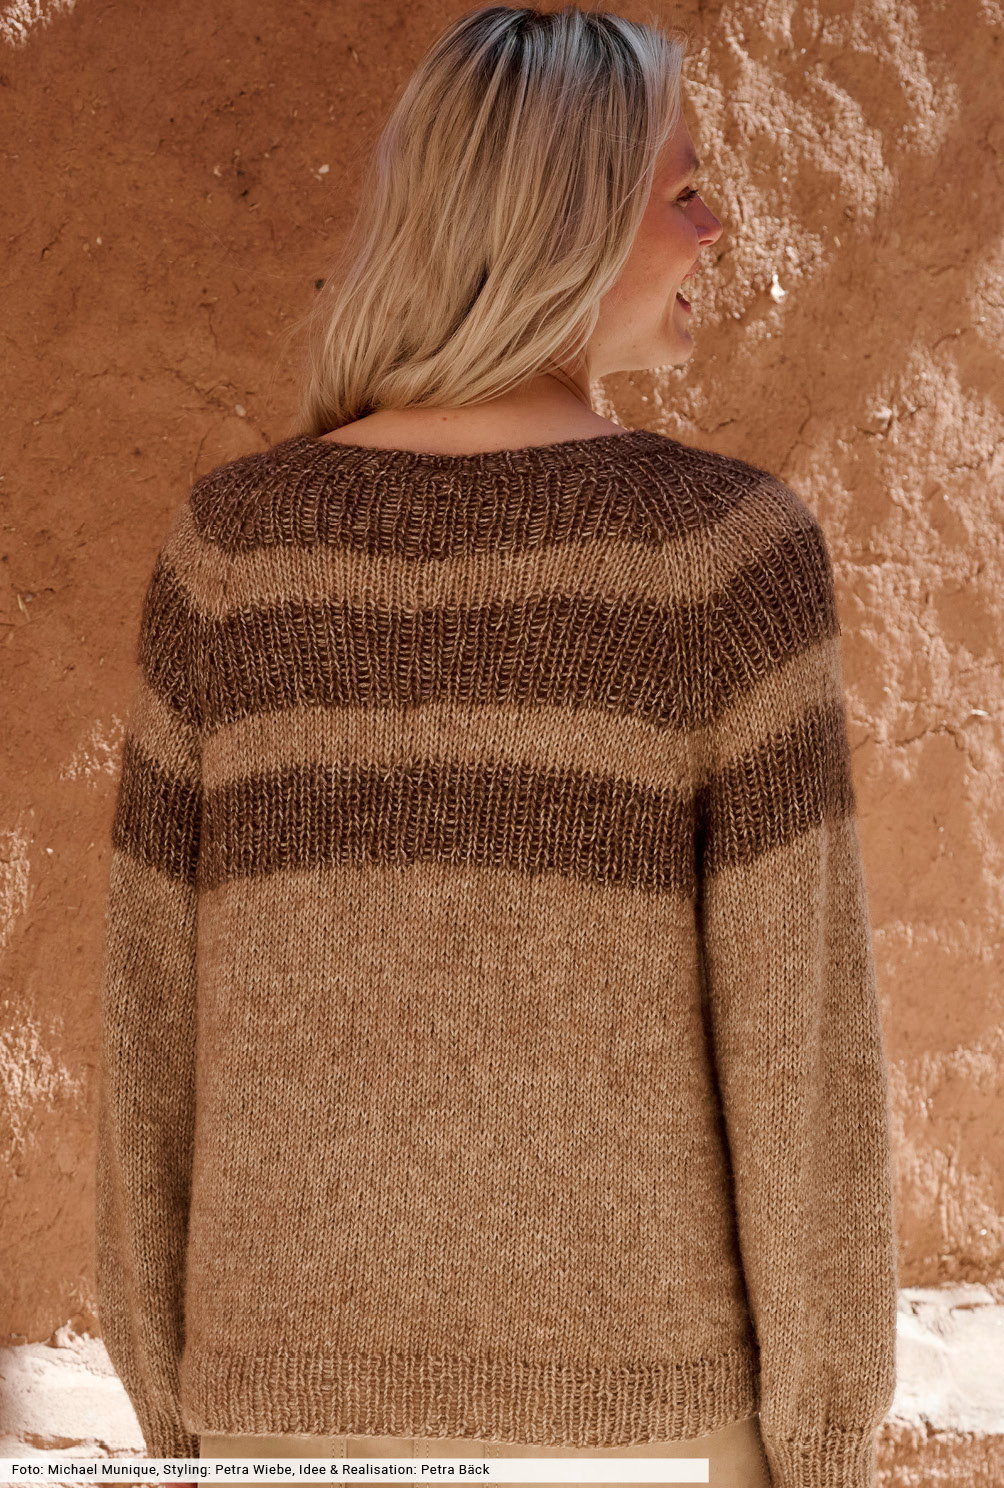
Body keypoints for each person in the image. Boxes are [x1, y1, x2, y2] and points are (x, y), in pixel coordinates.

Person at [95, 7, 898, 1487]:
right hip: (641, 1424)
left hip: (278, 1409)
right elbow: (801, 1054)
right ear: (564, 219)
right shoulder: (721, 554)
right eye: (684, 191)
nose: (716, 230)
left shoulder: (232, 554)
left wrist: (175, 1394)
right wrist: (825, 1439)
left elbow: (152, 1028)